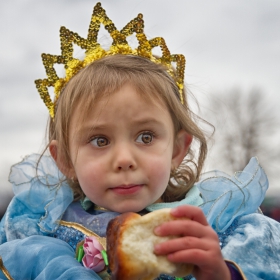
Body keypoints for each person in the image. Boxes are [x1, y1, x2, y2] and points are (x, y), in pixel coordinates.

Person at [0, 2, 280, 280]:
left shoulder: (215, 227)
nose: (124, 160)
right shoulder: (44, 232)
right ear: (65, 160)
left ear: (177, 149)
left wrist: (221, 273)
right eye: (99, 140)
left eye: (145, 137)